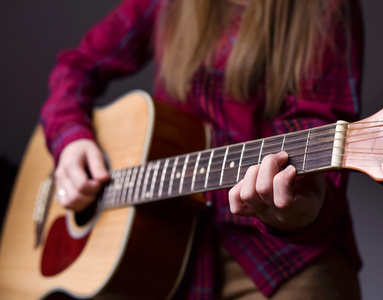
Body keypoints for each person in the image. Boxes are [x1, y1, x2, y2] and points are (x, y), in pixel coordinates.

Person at [40, 0, 364, 298]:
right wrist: (71, 139)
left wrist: (300, 210)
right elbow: (77, 65)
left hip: (279, 256)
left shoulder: (324, 8)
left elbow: (318, 146)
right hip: (159, 246)